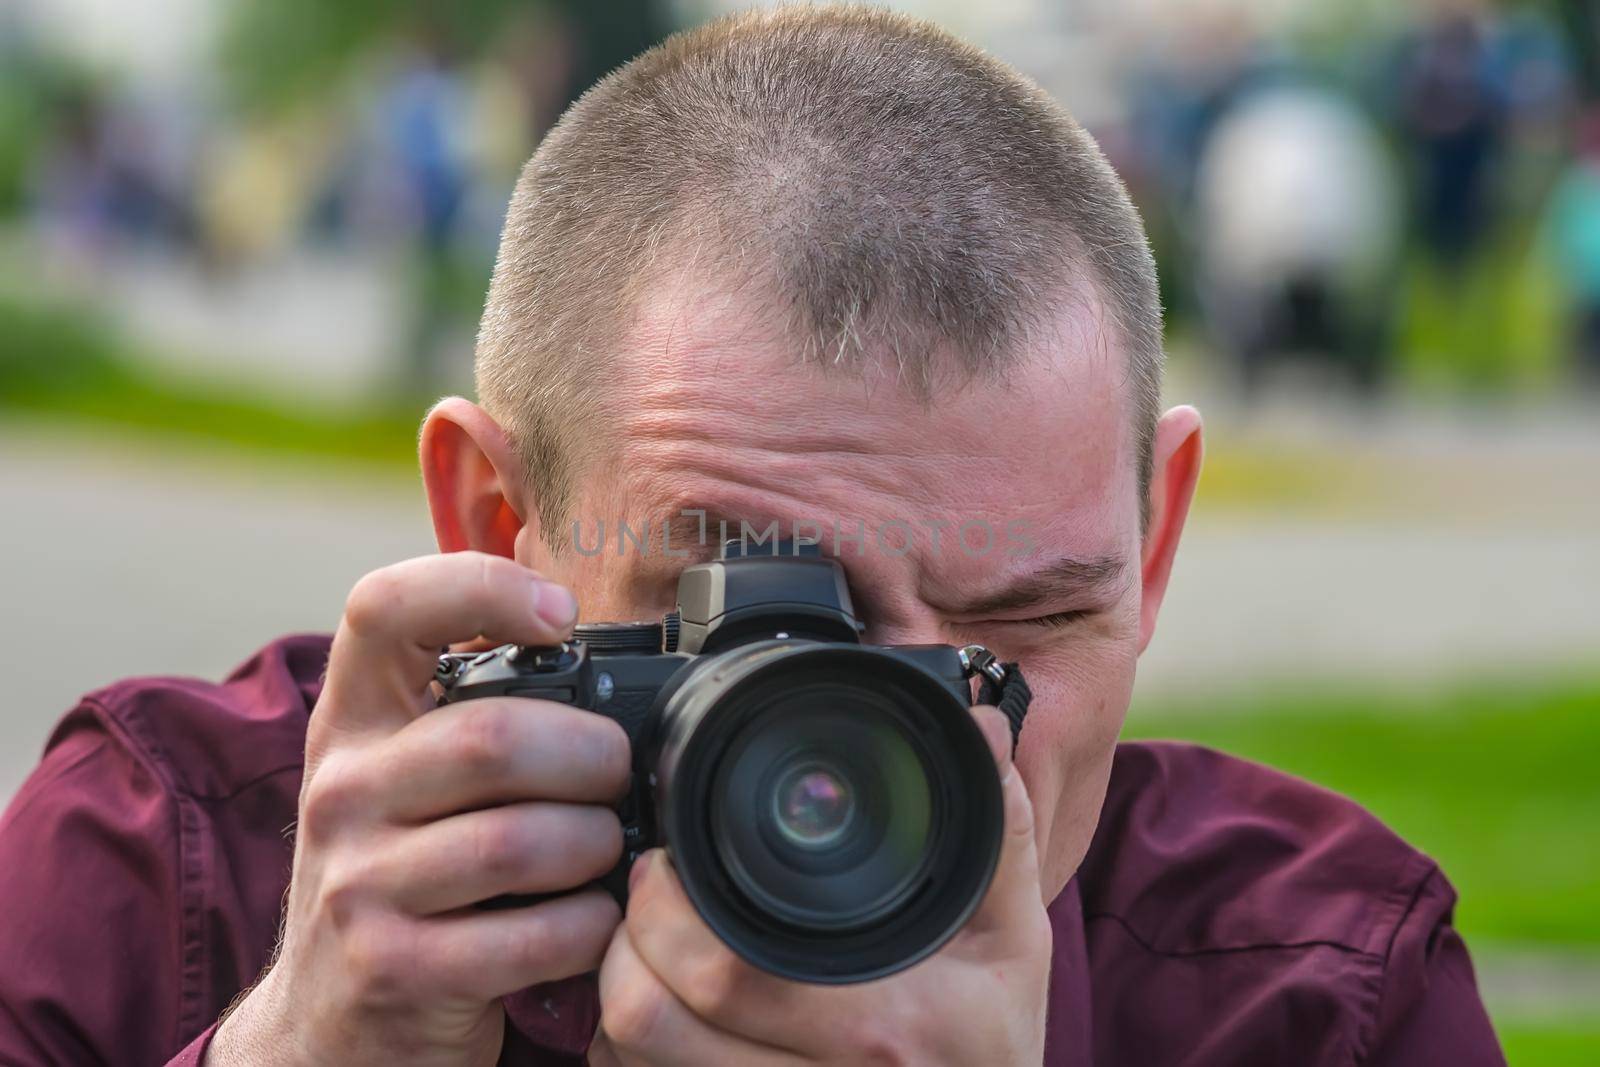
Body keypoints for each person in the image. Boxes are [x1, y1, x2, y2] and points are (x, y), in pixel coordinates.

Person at [0, 8, 1505, 1066]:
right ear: (491, 530)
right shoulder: (166, 871)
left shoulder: (1315, 996)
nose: (928, 740)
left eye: (1029, 626)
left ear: (1151, 544)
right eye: (780, 628)